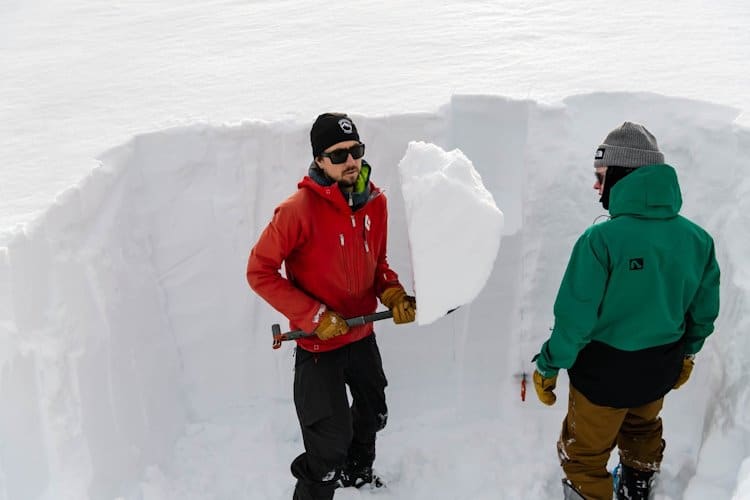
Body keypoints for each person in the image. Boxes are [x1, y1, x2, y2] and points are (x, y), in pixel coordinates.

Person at [532, 122, 720, 500]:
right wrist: (687, 354)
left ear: (623, 175)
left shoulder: (600, 240)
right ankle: (638, 486)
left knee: (584, 454)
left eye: (601, 176)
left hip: (603, 373)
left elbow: (575, 319)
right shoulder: (697, 239)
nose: (596, 186)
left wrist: (549, 365)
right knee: (641, 428)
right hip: (660, 367)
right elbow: (703, 311)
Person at [247, 112, 416, 500]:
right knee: (327, 447)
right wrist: (314, 317)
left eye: (355, 150)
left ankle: (359, 478)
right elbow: (259, 271)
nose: (350, 161)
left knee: (373, 414)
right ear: (319, 161)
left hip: (361, 335)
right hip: (318, 346)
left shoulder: (375, 201)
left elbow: (378, 265)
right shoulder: (296, 211)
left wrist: (391, 292)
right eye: (338, 155)